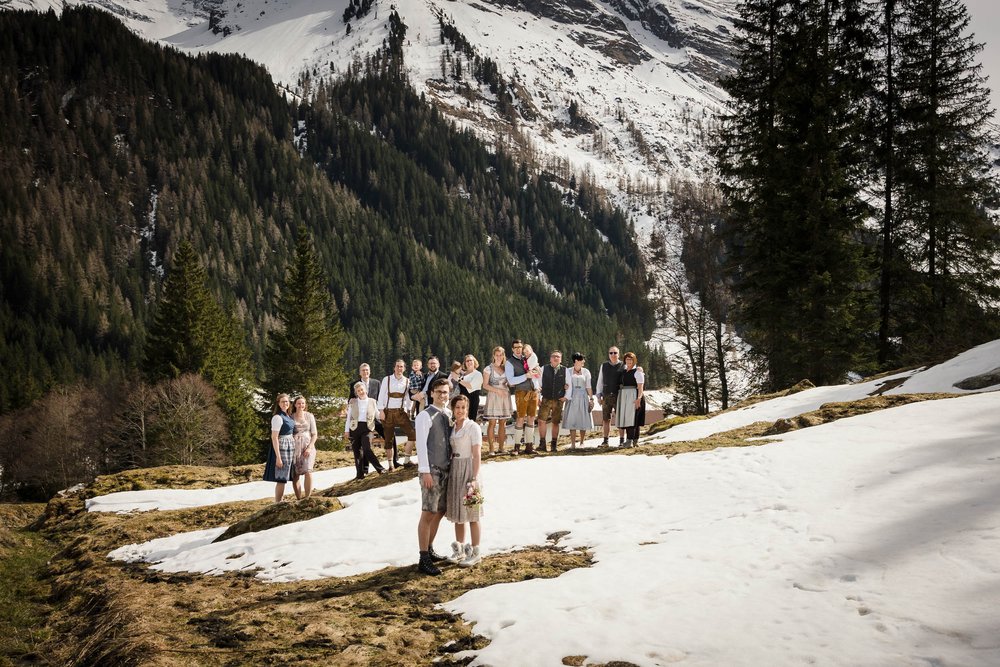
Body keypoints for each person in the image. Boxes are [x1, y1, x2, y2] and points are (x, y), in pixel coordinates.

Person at [415, 379, 454, 575]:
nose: (442, 395)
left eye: (445, 392)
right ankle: (423, 557)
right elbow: (421, 446)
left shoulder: (448, 414)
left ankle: (429, 549)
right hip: (432, 471)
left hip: (446, 469)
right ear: (431, 393)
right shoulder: (424, 415)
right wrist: (425, 471)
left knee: (439, 512)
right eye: (438, 392)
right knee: (428, 512)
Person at [445, 395, 483, 567]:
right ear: (453, 409)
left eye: (463, 407)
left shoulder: (472, 427)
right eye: (457, 407)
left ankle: (475, 551)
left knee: (472, 513)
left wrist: (474, 479)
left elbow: (477, 454)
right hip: (455, 468)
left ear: (467, 409)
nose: (460, 410)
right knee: (459, 515)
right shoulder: (453, 427)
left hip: (469, 468)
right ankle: (459, 549)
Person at [378, 359, 416, 468]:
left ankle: (406, 460)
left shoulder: (407, 381)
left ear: (404, 368)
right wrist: (381, 411)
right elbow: (381, 396)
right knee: (388, 439)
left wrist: (408, 410)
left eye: (401, 367)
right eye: (397, 366)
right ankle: (390, 465)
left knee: (412, 435)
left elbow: (408, 398)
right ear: (394, 367)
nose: (399, 369)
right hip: (388, 412)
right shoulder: (387, 379)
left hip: (401, 412)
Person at [349, 363, 387, 472]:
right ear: (359, 372)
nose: (365, 372)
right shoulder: (354, 389)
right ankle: (362, 472)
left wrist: (385, 415)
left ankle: (388, 464)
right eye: (363, 370)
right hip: (356, 425)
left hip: (370, 421)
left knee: (369, 446)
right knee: (357, 450)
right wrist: (347, 430)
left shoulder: (376, 384)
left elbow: (380, 403)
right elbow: (350, 409)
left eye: (367, 370)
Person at [505, 339, 541, 454]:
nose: (518, 349)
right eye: (515, 347)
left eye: (520, 347)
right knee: (520, 418)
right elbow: (511, 381)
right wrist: (526, 375)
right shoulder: (509, 362)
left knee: (531, 417)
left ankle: (529, 446)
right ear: (512, 349)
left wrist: (537, 373)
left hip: (533, 392)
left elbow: (536, 373)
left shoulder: (527, 358)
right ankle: (516, 447)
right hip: (521, 392)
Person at [344, 381, 386, 478]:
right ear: (356, 393)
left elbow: (377, 415)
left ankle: (380, 469)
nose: (361, 392)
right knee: (357, 452)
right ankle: (359, 474)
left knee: (367, 449)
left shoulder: (372, 401)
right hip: (354, 428)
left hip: (367, 428)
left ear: (365, 390)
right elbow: (348, 418)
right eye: (358, 391)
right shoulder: (353, 402)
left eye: (362, 390)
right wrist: (347, 431)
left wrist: (384, 416)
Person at [263, 394, 297, 502]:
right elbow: (274, 437)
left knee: (286, 476)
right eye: (282, 401)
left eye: (287, 401)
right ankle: (278, 502)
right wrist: (278, 457)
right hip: (282, 447)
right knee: (281, 478)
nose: (285, 403)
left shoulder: (288, 416)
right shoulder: (277, 417)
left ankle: (280, 500)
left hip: (290, 446)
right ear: (278, 403)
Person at [481, 346, 511, 456]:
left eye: (501, 355)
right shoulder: (488, 369)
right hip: (494, 396)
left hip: (504, 397)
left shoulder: (506, 368)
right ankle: (491, 449)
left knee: (503, 423)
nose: (499, 357)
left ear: (503, 356)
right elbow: (485, 385)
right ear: (493, 355)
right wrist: (498, 390)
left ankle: (502, 448)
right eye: (497, 355)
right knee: (492, 423)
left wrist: (510, 384)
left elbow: (510, 382)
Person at [562, 352, 594, 449]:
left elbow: (588, 386)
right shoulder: (568, 371)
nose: (584, 361)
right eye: (582, 360)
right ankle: (572, 444)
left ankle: (582, 442)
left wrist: (591, 398)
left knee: (582, 418)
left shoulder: (586, 372)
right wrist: (565, 387)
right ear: (576, 361)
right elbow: (565, 384)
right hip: (572, 396)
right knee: (572, 419)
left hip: (583, 396)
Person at [537, 350, 567, 452]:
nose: (555, 358)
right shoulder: (544, 368)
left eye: (558, 357)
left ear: (561, 359)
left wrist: (566, 396)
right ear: (550, 358)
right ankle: (542, 444)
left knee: (555, 422)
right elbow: (538, 384)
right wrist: (538, 397)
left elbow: (569, 385)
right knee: (541, 421)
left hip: (558, 400)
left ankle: (554, 445)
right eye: (554, 356)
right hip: (545, 398)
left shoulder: (565, 370)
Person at [595, 347, 625, 447]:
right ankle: (605, 441)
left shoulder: (623, 365)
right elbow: (600, 380)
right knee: (605, 419)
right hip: (606, 395)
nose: (613, 354)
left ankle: (621, 441)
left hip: (619, 395)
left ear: (618, 354)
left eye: (615, 353)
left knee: (620, 418)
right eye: (611, 353)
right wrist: (599, 395)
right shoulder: (604, 365)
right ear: (608, 354)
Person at [616, 352, 646, 448]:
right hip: (626, 396)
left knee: (633, 419)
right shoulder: (624, 371)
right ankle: (632, 441)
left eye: (631, 359)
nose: (629, 361)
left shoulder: (637, 372)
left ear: (634, 360)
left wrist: (638, 399)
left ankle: (631, 441)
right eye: (627, 359)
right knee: (630, 419)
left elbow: (640, 387)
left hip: (634, 396)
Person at [290, 395, 318, 498]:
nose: (301, 405)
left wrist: (310, 447)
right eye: (299, 403)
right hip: (295, 447)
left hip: (307, 445)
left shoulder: (310, 416)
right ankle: (299, 498)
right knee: (295, 474)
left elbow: (314, 434)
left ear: (305, 404)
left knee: (308, 471)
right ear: (295, 404)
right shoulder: (291, 416)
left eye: (303, 403)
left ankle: (307, 497)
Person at [457, 354, 484, 422]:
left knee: (470, 421)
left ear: (474, 362)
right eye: (467, 361)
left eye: (470, 360)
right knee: (461, 420)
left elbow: (470, 386)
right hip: (462, 401)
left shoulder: (478, 374)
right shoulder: (462, 375)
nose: (469, 362)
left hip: (472, 401)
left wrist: (458, 379)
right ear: (465, 363)